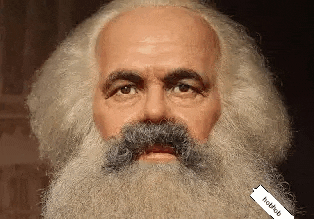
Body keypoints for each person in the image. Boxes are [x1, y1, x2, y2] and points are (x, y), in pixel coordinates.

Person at [27, 0, 297, 218]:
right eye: (125, 89)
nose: (155, 112)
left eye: (183, 87)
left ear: (233, 104)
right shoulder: (68, 206)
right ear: (82, 107)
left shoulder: (261, 199)